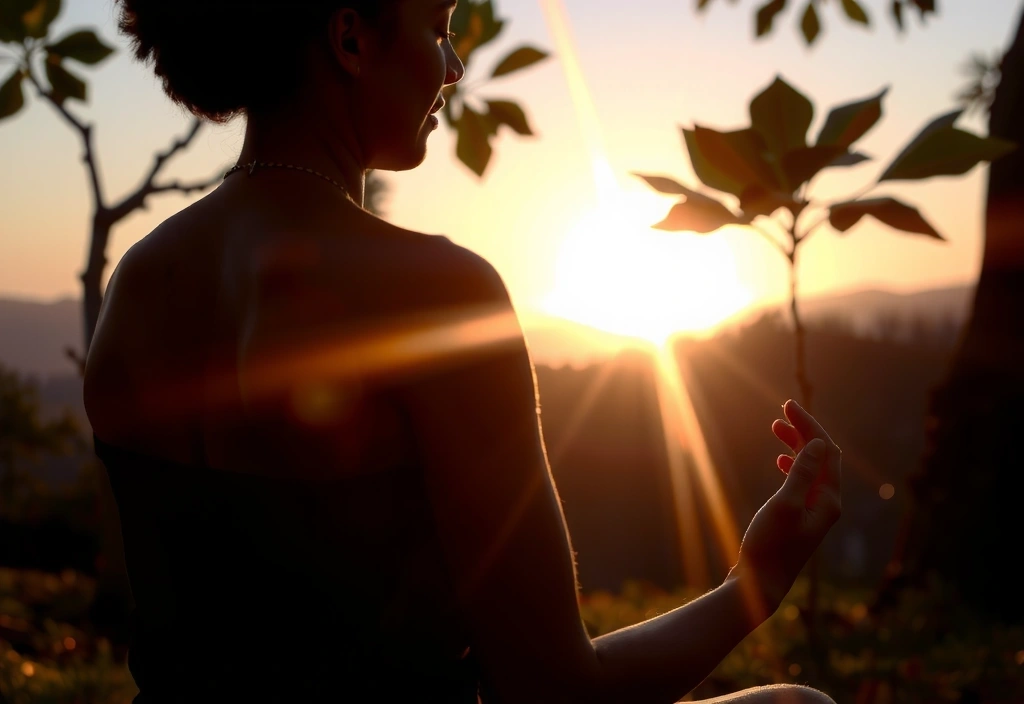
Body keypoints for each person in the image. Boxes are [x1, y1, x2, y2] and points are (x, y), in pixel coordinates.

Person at [82, 1, 843, 702]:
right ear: (350, 39)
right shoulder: (435, 291)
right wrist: (756, 582)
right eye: (438, 26)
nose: (454, 67)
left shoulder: (138, 283)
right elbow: (553, 691)